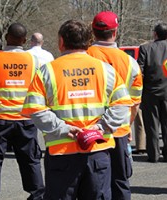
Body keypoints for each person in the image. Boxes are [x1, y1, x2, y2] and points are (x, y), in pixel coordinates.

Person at [21, 19, 132, 200]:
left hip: (62, 153)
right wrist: (100, 128)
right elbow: (122, 104)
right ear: (88, 42)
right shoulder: (106, 70)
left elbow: (36, 110)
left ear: (61, 42)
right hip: (98, 150)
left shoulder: (47, 71)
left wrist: (64, 129)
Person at [0, 22, 45, 200]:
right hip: (25, 119)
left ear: (6, 38)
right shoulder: (34, 61)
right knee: (30, 160)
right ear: (24, 40)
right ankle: (37, 194)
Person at [86, 11, 143, 200]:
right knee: (120, 181)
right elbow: (134, 101)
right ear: (115, 32)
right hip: (118, 129)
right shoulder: (130, 62)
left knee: (92, 185)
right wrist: (127, 124)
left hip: (90, 130)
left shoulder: (85, 55)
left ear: (93, 31)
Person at [137, 22, 167, 163]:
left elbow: (139, 72)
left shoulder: (146, 48)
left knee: (152, 125)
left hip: (151, 92)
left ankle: (153, 154)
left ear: (155, 34)